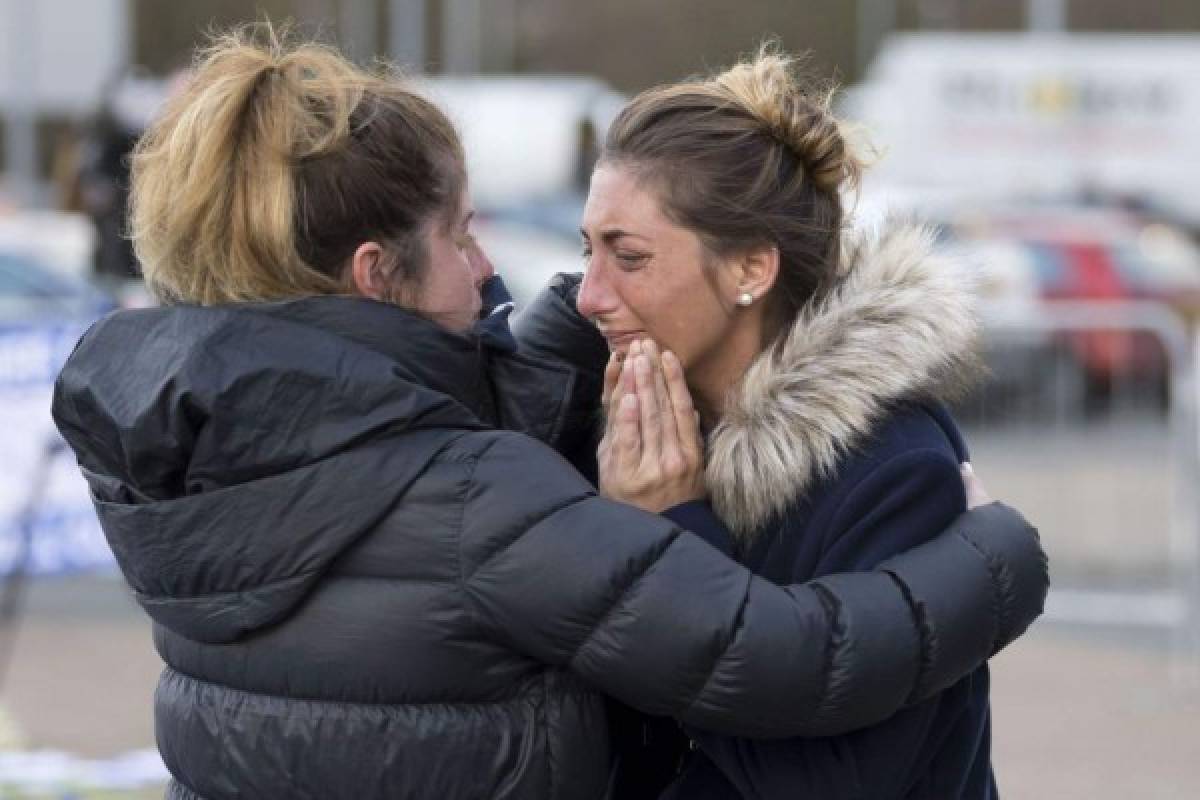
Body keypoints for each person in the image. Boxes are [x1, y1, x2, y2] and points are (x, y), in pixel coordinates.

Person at [50, 28, 1046, 800]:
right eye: (462, 235)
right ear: (373, 275)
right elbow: (781, 659)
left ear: (753, 268)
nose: (553, 282)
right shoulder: (480, 486)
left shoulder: (196, 450)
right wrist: (998, 557)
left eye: (628, 252)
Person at [523, 47, 1012, 798]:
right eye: (587, 250)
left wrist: (669, 533)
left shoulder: (892, 463)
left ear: (752, 269)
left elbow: (834, 780)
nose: (588, 295)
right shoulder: (625, 429)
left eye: (630, 256)